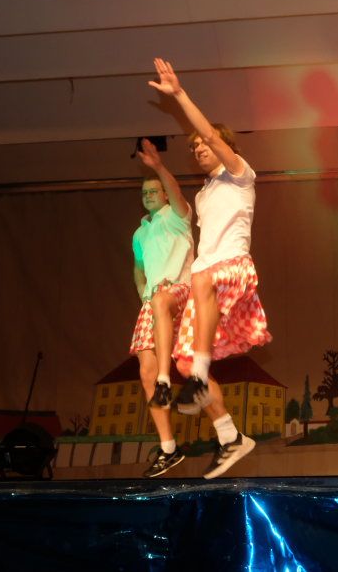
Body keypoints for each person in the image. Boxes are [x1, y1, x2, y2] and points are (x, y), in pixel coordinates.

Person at [147, 58, 272, 479]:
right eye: (194, 146)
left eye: (204, 143)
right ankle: (230, 436)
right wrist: (159, 168)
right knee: (183, 362)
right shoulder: (203, 195)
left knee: (201, 279)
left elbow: (214, 138)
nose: (199, 148)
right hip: (207, 282)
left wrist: (180, 95)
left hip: (232, 269)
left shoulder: (239, 174)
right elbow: (181, 205)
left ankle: (199, 376)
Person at [128, 137, 194, 477]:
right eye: (145, 192)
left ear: (165, 195)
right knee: (145, 373)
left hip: (179, 293)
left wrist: (158, 167)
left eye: (154, 190)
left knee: (185, 367)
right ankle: (169, 448)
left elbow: (175, 190)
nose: (149, 195)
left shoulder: (177, 217)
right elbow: (138, 267)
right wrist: (143, 292)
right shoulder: (140, 232)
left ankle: (170, 382)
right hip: (152, 301)